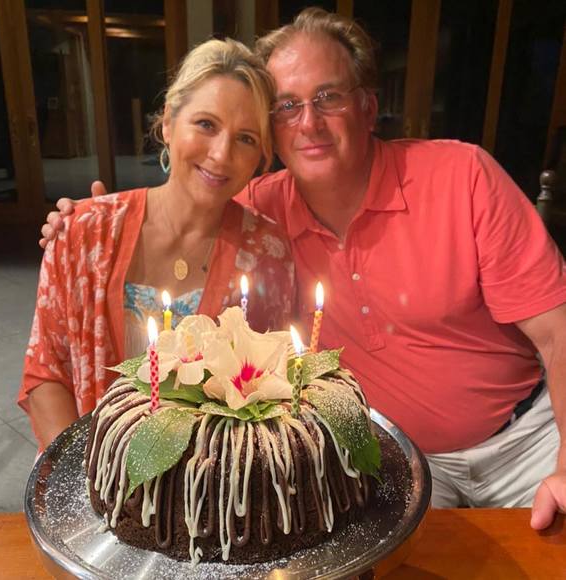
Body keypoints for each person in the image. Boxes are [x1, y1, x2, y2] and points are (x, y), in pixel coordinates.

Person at [38, 9, 566, 529]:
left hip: (526, 440)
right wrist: (90, 221)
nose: (308, 123)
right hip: (391, 453)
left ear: (368, 107)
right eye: (287, 106)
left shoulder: (462, 177)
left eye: (328, 97)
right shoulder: (260, 216)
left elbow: (558, 332)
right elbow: (191, 197)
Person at [20, 38, 295, 451]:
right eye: (206, 124)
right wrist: (86, 477)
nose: (221, 154)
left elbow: (268, 397)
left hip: (209, 479)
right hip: (90, 468)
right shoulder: (85, 233)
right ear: (168, 122)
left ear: (261, 156)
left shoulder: (266, 254)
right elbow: (46, 373)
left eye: (246, 138)